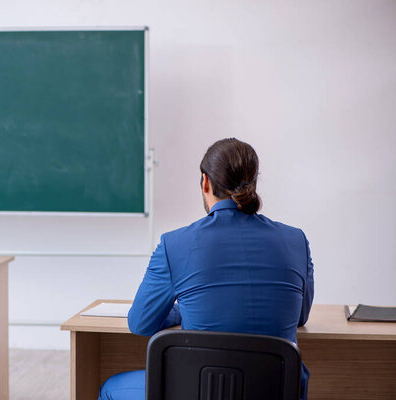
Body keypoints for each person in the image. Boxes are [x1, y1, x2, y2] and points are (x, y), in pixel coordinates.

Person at [98, 138, 314, 400]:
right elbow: (300, 316)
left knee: (110, 388)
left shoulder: (174, 244)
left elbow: (141, 323)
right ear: (253, 183)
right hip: (275, 390)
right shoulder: (296, 241)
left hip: (197, 389)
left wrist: (180, 312)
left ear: (205, 182)